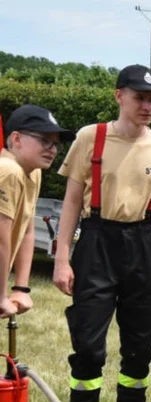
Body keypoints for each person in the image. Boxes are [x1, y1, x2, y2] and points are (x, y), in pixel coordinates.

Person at [52, 65, 151, 402]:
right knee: (89, 348)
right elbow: (72, 202)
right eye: (140, 97)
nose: (147, 106)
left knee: (138, 351)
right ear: (119, 97)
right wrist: (62, 259)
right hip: (96, 243)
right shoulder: (90, 138)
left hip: (143, 245)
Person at [1, 106, 74, 317]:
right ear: (16, 139)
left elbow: (26, 230)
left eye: (56, 144)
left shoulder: (32, 172)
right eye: (44, 140)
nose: (52, 149)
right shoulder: (8, 171)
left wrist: (21, 288)